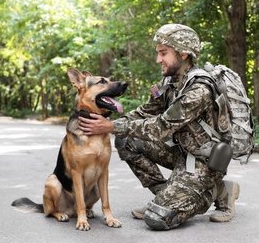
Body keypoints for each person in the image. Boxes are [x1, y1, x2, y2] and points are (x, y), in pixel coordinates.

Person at [78, 23, 240, 230]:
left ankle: (218, 190)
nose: (158, 60)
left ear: (183, 54)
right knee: (127, 140)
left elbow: (161, 126)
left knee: (158, 219)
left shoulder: (199, 89)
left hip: (203, 163)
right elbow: (144, 113)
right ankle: (166, 197)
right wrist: (104, 123)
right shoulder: (170, 83)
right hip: (179, 153)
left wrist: (110, 127)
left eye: (163, 53)